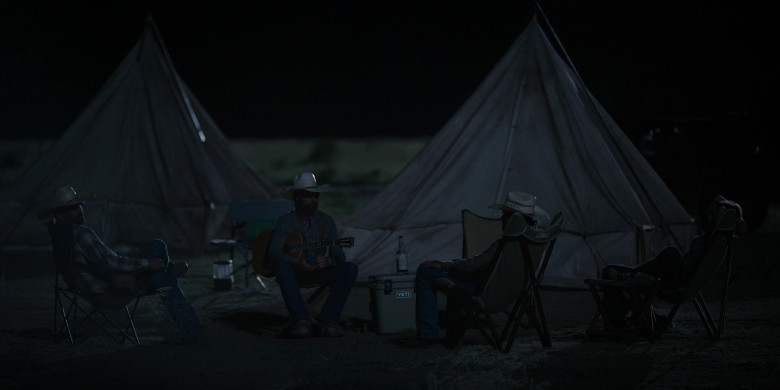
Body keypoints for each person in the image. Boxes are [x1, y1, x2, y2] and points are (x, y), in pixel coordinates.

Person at [38, 185, 202, 343]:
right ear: (59, 215)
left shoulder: (59, 235)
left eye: (79, 205)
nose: (79, 210)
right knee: (167, 280)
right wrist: (148, 263)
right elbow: (113, 263)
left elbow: (105, 262)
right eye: (72, 208)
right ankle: (193, 331)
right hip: (112, 286)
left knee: (158, 245)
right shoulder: (80, 234)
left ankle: (165, 270)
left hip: (94, 283)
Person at [414, 191, 550, 347]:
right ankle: (453, 332)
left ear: (512, 219)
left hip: (483, 294)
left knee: (425, 271)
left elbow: (470, 266)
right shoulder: (535, 243)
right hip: (512, 293)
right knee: (457, 272)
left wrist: (444, 264)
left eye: (504, 215)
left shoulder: (506, 244)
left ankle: (427, 335)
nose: (501, 219)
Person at [600, 195, 747, 329]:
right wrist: (724, 205)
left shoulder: (713, 240)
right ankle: (618, 319)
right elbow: (723, 206)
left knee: (671, 253)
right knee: (609, 270)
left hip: (678, 282)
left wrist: (725, 206)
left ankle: (630, 279)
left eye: (712, 214)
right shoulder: (713, 240)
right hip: (677, 276)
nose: (708, 215)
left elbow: (731, 216)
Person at [268, 172, 358, 338]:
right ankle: (301, 320)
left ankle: (328, 320)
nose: (314, 200)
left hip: (319, 272)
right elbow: (274, 251)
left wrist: (328, 261)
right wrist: (297, 261)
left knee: (349, 269)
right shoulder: (285, 221)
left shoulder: (327, 222)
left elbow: (339, 256)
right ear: (297, 198)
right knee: (281, 266)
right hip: (294, 274)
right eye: (308, 196)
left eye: (316, 196)